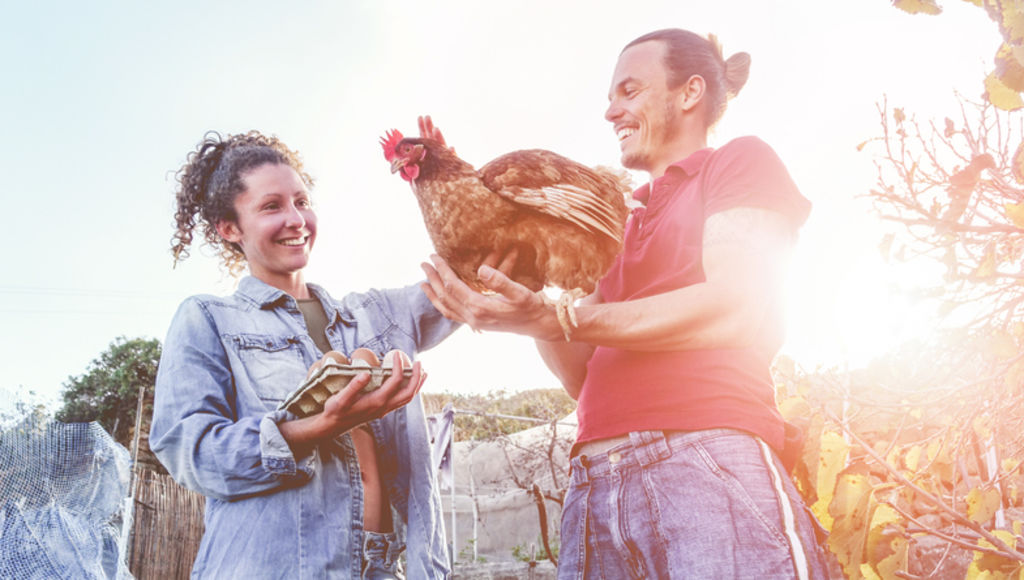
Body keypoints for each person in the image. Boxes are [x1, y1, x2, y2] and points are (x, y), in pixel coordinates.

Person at [421, 29, 828, 579]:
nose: (611, 111)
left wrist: (561, 317)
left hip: (704, 456)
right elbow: (581, 374)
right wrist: (531, 302)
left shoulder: (736, 163)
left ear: (689, 93)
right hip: (594, 479)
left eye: (629, 91)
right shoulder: (620, 218)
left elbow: (737, 306)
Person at [150, 130, 459, 579]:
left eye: (301, 200)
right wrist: (314, 428)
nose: (296, 219)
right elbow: (191, 453)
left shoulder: (377, 316)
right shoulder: (209, 319)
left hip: (381, 566)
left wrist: (446, 167)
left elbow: (471, 279)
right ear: (230, 228)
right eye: (272, 206)